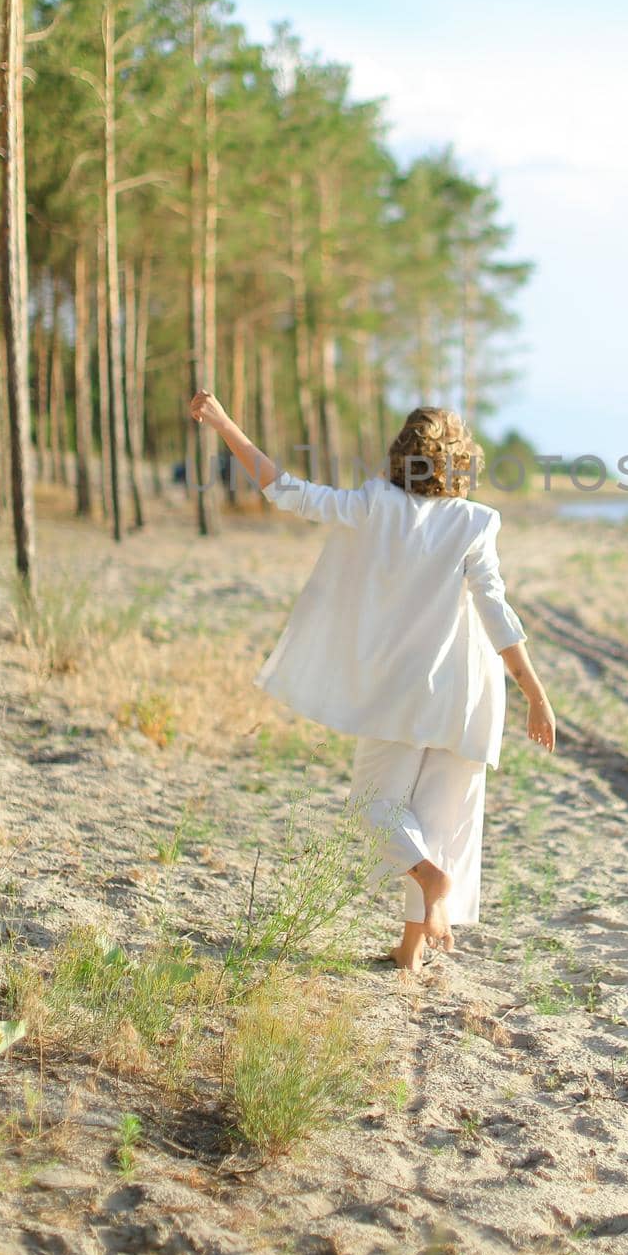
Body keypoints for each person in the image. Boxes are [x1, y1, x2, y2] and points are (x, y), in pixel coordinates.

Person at [188, 393, 557, 972]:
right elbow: (496, 612)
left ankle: (429, 889)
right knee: (433, 817)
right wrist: (535, 694)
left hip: (402, 692)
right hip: (466, 694)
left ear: (402, 454)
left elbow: (285, 489)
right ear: (461, 463)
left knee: (375, 806)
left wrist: (223, 422)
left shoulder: (374, 505)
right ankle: (411, 949)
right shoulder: (478, 522)